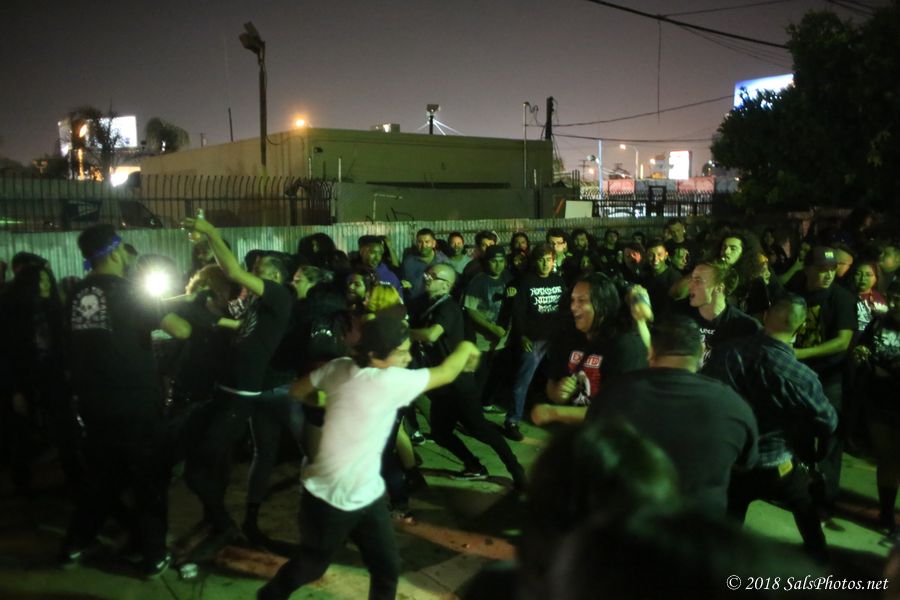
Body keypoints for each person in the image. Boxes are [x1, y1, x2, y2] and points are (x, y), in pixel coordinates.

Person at [257, 316, 481, 600]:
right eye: (402, 353)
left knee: (387, 568)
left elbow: (297, 390)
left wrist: (328, 402)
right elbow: (447, 373)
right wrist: (466, 346)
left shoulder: (339, 366)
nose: (409, 358)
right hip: (329, 498)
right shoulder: (390, 381)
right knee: (312, 565)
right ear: (375, 355)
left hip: (367, 493)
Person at [60, 224, 192, 577]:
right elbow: (180, 329)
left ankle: (75, 543)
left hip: (92, 402)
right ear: (116, 252)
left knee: (101, 477)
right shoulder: (130, 291)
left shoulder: (76, 294)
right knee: (149, 480)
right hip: (135, 403)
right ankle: (154, 555)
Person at [180, 215, 294, 546]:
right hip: (226, 390)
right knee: (214, 463)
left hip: (241, 395)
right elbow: (219, 297)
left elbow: (232, 271)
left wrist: (211, 232)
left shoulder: (278, 295)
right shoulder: (254, 305)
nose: (253, 272)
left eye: (260, 269)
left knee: (198, 469)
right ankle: (216, 520)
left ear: (276, 277)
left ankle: (224, 523)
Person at [705, 294, 838, 563]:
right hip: (777, 464)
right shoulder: (800, 375)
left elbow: (707, 394)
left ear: (765, 316)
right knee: (804, 506)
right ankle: (819, 559)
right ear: (800, 327)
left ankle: (723, 567)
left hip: (735, 461)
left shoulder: (728, 353)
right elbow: (828, 421)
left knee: (730, 520)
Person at [587, 315, 759, 514]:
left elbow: (590, 450)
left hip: (626, 520)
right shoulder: (733, 405)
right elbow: (745, 463)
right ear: (702, 352)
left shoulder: (613, 393)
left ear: (651, 352)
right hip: (696, 526)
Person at [410, 263, 525, 486]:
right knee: (441, 434)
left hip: (460, 384)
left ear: (447, 285)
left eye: (434, 276)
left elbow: (432, 335)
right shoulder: (428, 305)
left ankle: (516, 469)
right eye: (427, 274)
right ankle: (474, 466)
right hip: (442, 384)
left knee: (481, 430)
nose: (427, 278)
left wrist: (404, 332)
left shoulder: (447, 307)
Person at [787, 246, 856, 519]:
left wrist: (801, 354)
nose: (828, 275)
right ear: (807, 269)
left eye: (832, 269)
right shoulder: (796, 294)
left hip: (829, 378)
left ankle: (825, 501)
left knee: (829, 441)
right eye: (821, 269)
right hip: (800, 377)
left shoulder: (841, 298)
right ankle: (803, 493)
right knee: (800, 437)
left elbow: (842, 341)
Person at [853, 281, 900, 537]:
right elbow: (864, 346)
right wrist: (861, 353)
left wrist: (890, 372)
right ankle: (886, 513)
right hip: (879, 399)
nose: (895, 303)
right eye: (894, 297)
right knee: (887, 457)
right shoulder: (879, 322)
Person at [504, 243, 565, 441]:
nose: (545, 264)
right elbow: (518, 312)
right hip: (534, 340)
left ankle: (557, 418)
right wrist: (521, 336)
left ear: (553, 261)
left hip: (555, 339)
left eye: (548, 259)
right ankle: (512, 421)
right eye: (541, 260)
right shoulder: (526, 282)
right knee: (522, 382)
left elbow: (565, 309)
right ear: (534, 262)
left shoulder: (558, 280)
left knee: (557, 380)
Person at [463, 245, 514, 412]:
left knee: (497, 374)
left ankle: (487, 404)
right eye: (494, 261)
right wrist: (491, 327)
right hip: (482, 340)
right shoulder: (478, 281)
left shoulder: (508, 277)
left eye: (501, 261)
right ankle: (473, 411)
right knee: (481, 376)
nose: (498, 265)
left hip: (503, 339)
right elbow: (470, 310)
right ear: (487, 262)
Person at [680, 261, 760, 365]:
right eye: (691, 279)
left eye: (698, 281)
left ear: (719, 288)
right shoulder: (679, 318)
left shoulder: (746, 327)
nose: (690, 285)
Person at [400, 228, 447, 303]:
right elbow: (404, 285)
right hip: (415, 305)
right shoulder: (408, 262)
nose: (423, 245)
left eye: (427, 242)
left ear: (434, 243)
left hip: (438, 304)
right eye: (420, 242)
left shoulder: (443, 261)